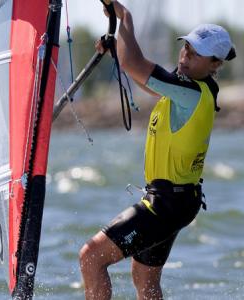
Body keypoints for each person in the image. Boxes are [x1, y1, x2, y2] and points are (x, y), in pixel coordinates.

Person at [79, 1, 236, 299]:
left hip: (165, 206)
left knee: (91, 257)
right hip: (178, 203)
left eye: (196, 52)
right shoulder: (186, 90)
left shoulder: (191, 92)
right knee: (145, 280)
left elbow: (134, 64)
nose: (186, 54)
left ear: (214, 64)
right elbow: (143, 77)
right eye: (185, 47)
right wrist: (118, 47)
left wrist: (126, 18)